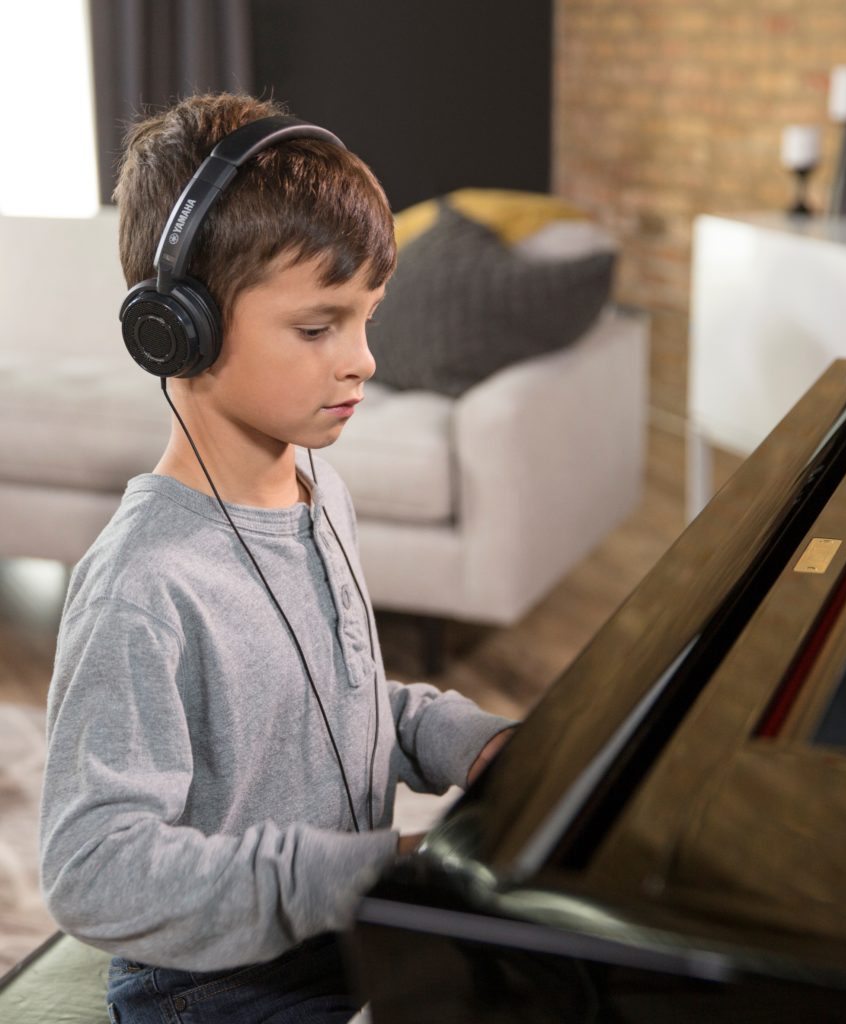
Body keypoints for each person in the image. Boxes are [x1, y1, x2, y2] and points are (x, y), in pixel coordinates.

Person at [38, 92, 515, 1024]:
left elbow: (319, 709)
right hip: (218, 988)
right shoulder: (145, 581)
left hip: (341, 938)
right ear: (179, 328)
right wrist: (368, 872)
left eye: (367, 319)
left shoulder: (317, 490)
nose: (363, 361)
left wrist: (469, 741)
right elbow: (92, 870)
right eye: (318, 327)